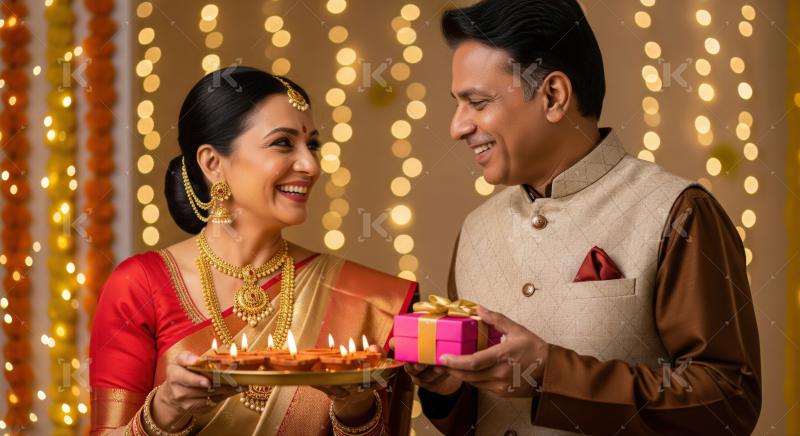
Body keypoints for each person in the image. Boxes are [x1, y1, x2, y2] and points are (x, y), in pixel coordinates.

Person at [405, 1, 762, 434]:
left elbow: (728, 401)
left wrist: (551, 374)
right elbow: (477, 420)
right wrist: (448, 388)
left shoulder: (678, 212)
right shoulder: (476, 229)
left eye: (477, 103)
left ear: (553, 96)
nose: (457, 127)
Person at [89, 66, 417, 436]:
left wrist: (355, 409)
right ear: (213, 163)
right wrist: (165, 409)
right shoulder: (140, 285)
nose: (311, 166)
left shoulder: (364, 297)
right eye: (283, 143)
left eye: (312, 146)